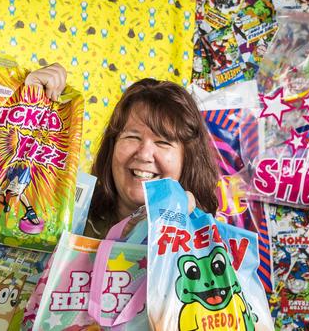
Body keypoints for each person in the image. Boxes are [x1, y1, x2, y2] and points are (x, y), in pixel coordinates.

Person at [25, 64, 219, 238]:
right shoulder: (68, 217)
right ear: (112, 147)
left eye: (163, 142)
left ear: (188, 158)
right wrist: (29, 105)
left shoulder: (206, 245)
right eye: (132, 137)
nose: (144, 154)